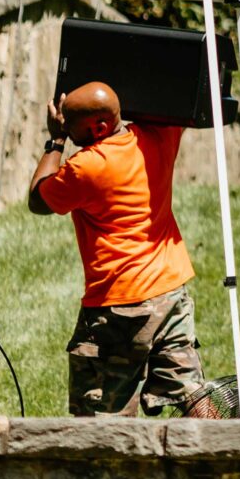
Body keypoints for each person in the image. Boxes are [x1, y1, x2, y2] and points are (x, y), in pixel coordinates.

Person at [28, 81, 215, 418]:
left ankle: (108, 471)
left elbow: (38, 199)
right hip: (170, 293)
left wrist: (55, 141)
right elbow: (171, 103)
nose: (66, 129)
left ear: (98, 127)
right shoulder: (158, 137)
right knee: (191, 392)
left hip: (118, 305)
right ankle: (226, 458)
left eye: (69, 123)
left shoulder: (87, 167)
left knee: (102, 414)